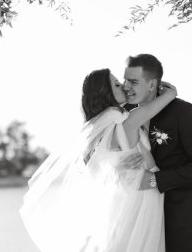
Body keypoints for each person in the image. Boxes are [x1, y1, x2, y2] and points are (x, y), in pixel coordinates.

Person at [20, 68, 177, 252]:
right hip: (141, 196)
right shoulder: (127, 120)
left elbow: (96, 168)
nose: (125, 86)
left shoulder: (100, 128)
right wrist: (171, 92)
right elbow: (167, 98)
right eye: (117, 85)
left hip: (124, 198)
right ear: (105, 94)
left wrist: (116, 169)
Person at [123, 54, 192, 252]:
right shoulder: (125, 114)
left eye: (133, 81)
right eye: (124, 80)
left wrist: (156, 180)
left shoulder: (183, 111)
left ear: (152, 84)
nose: (125, 86)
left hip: (180, 212)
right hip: (139, 211)